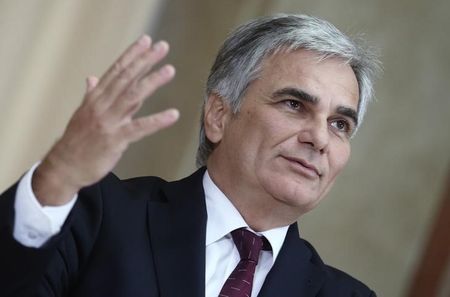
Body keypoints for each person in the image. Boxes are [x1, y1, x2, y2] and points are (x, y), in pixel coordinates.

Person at [0, 14, 380, 297]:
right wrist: (59, 175)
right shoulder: (99, 214)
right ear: (218, 115)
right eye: (294, 104)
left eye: (339, 124)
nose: (319, 138)